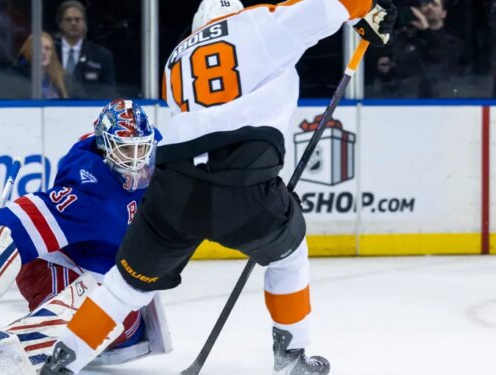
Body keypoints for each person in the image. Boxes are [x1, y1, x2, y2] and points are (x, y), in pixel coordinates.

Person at [40, 1, 397, 375]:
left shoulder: (177, 56)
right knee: (288, 254)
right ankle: (292, 358)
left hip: (174, 184)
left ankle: (63, 360)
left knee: (126, 283)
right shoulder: (257, 24)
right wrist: (368, 9)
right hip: (242, 178)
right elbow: (327, 6)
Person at [0, 99, 167, 372]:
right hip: (70, 265)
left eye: (142, 148)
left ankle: (44, 346)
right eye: (126, 150)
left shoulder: (166, 161)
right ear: (105, 147)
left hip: (124, 300)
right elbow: (37, 216)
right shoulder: (94, 187)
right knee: (46, 273)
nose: (137, 159)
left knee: (111, 312)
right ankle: (25, 351)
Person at [54, 0, 115, 99]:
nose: (73, 23)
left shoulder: (102, 55)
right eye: (68, 20)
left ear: (84, 23)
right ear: (60, 24)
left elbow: (108, 92)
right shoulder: (49, 52)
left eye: (77, 19)